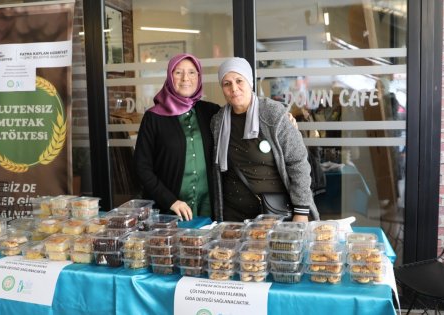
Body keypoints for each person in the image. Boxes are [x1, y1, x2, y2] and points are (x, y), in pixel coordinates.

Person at [211, 57, 319, 222]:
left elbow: (298, 162)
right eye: (227, 84)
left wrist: (301, 212)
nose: (234, 88)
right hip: (233, 216)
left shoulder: (273, 113)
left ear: (250, 82)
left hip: (275, 215)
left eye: (239, 81)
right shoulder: (218, 121)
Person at [134, 53, 220, 221]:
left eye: (192, 72)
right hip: (169, 210)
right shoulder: (153, 117)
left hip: (208, 206)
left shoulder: (211, 112)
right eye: (178, 72)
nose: (185, 78)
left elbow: (241, 118)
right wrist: (171, 201)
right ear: (169, 76)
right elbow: (141, 167)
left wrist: (283, 118)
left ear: (199, 76)